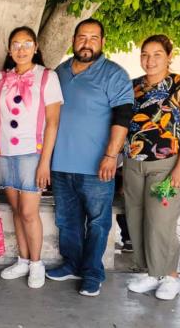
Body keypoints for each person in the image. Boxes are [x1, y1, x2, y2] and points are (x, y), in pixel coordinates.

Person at [45, 18, 134, 297]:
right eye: (82, 37)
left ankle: (93, 272)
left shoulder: (114, 74)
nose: (87, 43)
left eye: (93, 37)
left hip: (98, 166)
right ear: (73, 40)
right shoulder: (59, 72)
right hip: (61, 164)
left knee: (97, 222)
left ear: (103, 42)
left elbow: (123, 117)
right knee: (67, 221)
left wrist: (111, 155)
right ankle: (71, 264)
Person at [123, 35, 180, 301]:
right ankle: (151, 273)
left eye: (157, 54)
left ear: (169, 56)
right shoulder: (133, 87)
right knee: (135, 219)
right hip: (133, 164)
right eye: (145, 54)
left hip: (166, 165)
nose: (150, 60)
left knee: (161, 221)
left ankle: (170, 275)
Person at [0, 26, 63, 289]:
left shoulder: (47, 77)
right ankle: (22, 259)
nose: (21, 49)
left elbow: (53, 122)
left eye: (27, 43)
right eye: (16, 44)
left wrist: (45, 161)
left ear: (36, 47)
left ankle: (36, 263)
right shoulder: (0, 78)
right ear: (9, 49)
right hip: (5, 153)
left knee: (30, 212)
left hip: (33, 153)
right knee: (16, 210)